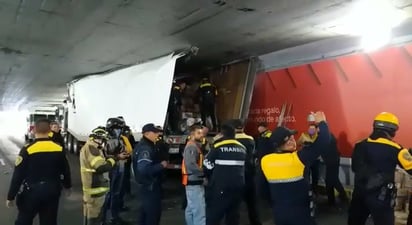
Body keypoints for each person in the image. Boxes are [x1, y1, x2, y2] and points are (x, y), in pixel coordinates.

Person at [260, 111, 329, 225]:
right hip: (301, 215)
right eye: (289, 139)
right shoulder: (297, 159)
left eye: (293, 136)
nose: (293, 140)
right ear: (280, 144)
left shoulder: (265, 161)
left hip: (280, 213)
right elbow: (324, 141)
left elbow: (262, 189)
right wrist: (322, 122)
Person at [348, 112, 412, 225]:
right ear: (392, 130)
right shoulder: (397, 149)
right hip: (381, 198)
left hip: (359, 195)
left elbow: (354, 168)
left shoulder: (359, 145)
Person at [6, 118, 72, 225]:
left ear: (34, 130)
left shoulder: (27, 150)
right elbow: (65, 170)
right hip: (52, 192)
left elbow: (18, 175)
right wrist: (68, 186)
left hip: (31, 193)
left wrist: (11, 196)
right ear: (49, 131)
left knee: (24, 220)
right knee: (49, 221)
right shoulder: (58, 149)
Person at [80, 126, 128, 225]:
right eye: (103, 140)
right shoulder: (92, 149)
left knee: (90, 217)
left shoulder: (91, 147)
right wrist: (115, 159)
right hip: (95, 192)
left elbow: (100, 160)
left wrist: (114, 157)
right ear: (99, 138)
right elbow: (101, 167)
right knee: (94, 219)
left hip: (93, 191)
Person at [203, 123, 246, 225]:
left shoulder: (218, 147)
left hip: (221, 186)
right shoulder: (242, 148)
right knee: (233, 216)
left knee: (214, 215)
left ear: (222, 134)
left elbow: (207, 165)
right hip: (238, 186)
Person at [133, 123, 168, 225]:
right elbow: (143, 169)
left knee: (145, 214)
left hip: (146, 186)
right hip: (150, 186)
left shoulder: (145, 145)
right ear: (147, 133)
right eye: (155, 132)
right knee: (152, 216)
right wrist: (161, 165)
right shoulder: (145, 149)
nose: (157, 135)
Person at [231, 119, 262, 225]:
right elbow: (253, 155)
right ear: (243, 127)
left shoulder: (230, 140)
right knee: (252, 204)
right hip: (249, 174)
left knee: (234, 205)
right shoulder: (250, 139)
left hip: (235, 175)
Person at [104, 117, 130, 225]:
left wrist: (125, 155)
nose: (119, 131)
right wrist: (118, 156)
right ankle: (105, 219)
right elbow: (105, 157)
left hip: (120, 168)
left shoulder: (120, 139)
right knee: (110, 194)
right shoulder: (107, 141)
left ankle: (114, 217)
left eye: (120, 129)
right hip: (112, 169)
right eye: (117, 128)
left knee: (116, 193)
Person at [182, 125, 206, 225]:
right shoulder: (192, 146)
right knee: (199, 211)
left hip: (191, 181)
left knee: (191, 209)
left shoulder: (193, 145)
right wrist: (204, 173)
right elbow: (191, 165)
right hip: (194, 181)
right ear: (192, 134)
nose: (201, 135)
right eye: (198, 133)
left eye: (202, 133)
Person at [322, 133, 348, 206]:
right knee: (333, 180)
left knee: (331, 180)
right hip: (334, 159)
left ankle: (333, 200)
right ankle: (338, 199)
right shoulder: (329, 135)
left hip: (331, 160)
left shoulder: (324, 137)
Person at [298, 124, 321, 194]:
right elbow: (298, 143)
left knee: (315, 176)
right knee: (306, 175)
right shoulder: (304, 135)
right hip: (306, 159)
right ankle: (307, 191)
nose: (311, 130)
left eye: (313, 129)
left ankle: (315, 191)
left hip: (315, 160)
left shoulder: (319, 137)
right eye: (310, 129)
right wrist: (304, 144)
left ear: (316, 130)